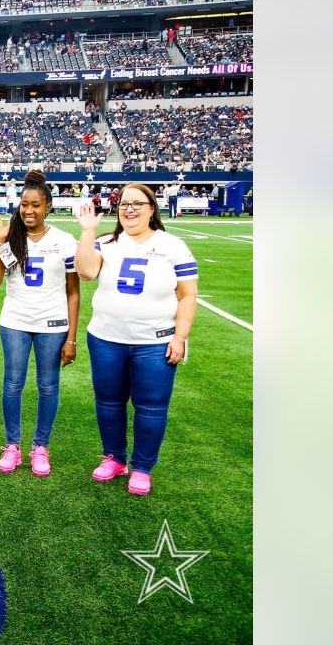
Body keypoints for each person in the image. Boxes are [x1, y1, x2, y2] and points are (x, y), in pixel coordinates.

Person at [73, 184, 198, 496]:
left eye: (137, 204)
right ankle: (115, 457)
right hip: (106, 338)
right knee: (109, 402)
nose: (129, 209)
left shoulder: (173, 246)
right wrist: (88, 232)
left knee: (151, 407)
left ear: (152, 209)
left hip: (154, 341)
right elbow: (86, 272)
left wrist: (180, 336)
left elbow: (187, 295)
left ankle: (142, 467)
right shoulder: (107, 243)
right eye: (124, 204)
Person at [0, 170, 80, 476]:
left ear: (48, 206)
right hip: (14, 321)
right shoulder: (10, 237)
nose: (29, 210)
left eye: (36, 205)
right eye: (25, 204)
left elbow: (74, 292)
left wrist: (72, 338)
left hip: (53, 324)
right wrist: (0, 244)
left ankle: (40, 447)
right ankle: (12, 446)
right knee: (12, 384)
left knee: (48, 386)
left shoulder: (64, 241)